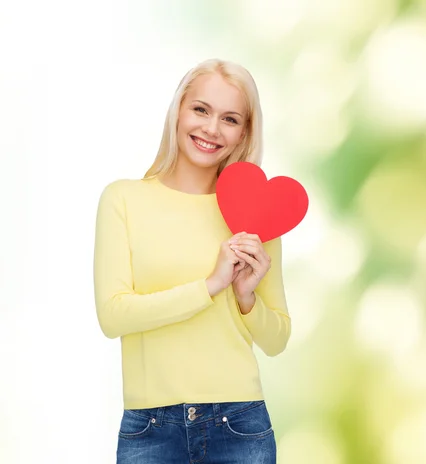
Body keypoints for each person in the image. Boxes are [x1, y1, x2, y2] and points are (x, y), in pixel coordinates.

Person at [93, 58, 291, 464]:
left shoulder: (256, 215)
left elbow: (277, 340)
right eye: (201, 109)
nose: (211, 129)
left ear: (244, 133)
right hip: (150, 428)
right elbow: (113, 316)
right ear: (178, 110)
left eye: (230, 119)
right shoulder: (124, 199)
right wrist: (211, 286)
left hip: (240, 425)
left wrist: (246, 298)